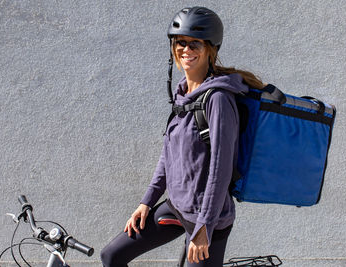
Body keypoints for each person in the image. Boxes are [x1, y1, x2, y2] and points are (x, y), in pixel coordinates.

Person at [101, 6, 266, 267]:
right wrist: (147, 202)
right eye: (180, 43)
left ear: (210, 49)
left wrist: (204, 228)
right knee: (112, 255)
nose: (185, 50)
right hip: (177, 207)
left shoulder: (219, 99)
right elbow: (168, 156)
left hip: (208, 217)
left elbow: (220, 170)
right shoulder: (182, 95)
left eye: (194, 44)